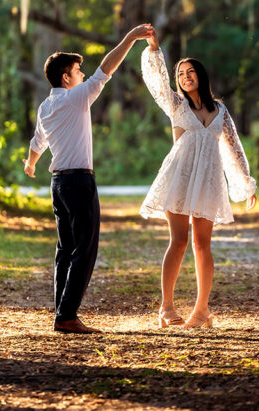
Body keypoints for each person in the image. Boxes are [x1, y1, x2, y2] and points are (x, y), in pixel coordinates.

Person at [23, 23, 155, 334]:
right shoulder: (76, 98)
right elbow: (106, 69)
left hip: (57, 184)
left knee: (65, 249)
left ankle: (62, 312)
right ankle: (67, 316)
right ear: (66, 77)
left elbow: (36, 143)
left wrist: (30, 166)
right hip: (79, 183)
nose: (83, 75)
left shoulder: (46, 106)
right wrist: (130, 38)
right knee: (85, 249)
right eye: (78, 70)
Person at [139, 30, 257, 329]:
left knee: (203, 245)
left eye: (190, 72)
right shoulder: (177, 105)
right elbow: (157, 80)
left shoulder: (220, 109)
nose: (185, 76)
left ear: (201, 76)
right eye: (181, 73)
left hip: (207, 180)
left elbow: (233, 147)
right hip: (178, 177)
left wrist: (245, 182)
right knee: (178, 241)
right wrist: (154, 48)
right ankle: (166, 308)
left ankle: (202, 310)